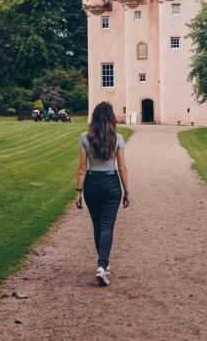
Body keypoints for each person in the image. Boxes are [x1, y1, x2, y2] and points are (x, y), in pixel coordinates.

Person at [75, 101, 130, 286]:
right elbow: (121, 168)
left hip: (92, 184)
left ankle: (103, 264)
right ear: (111, 118)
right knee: (107, 225)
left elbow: (82, 168)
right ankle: (102, 266)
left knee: (97, 224)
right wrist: (127, 191)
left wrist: (78, 192)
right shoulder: (117, 138)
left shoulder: (84, 138)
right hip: (111, 184)